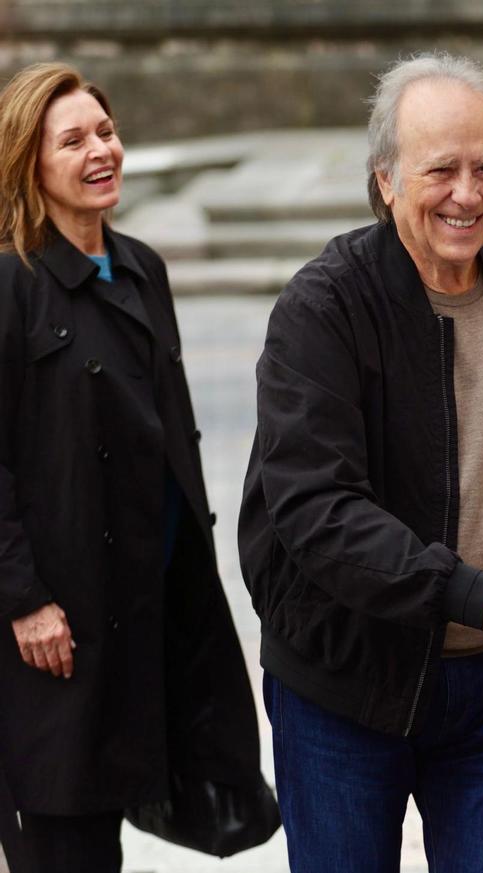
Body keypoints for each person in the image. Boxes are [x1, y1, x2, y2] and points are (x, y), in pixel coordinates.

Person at [237, 52, 483, 873]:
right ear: (387, 180)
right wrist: (477, 595)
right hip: (346, 686)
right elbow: (318, 511)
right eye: (440, 170)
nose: (467, 195)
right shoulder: (323, 307)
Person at [0, 62, 266, 872]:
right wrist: (23, 600)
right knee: (61, 837)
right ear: (28, 163)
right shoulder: (11, 281)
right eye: (72, 140)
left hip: (145, 610)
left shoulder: (144, 266)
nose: (99, 151)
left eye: (105, 133)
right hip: (53, 629)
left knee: (121, 820)